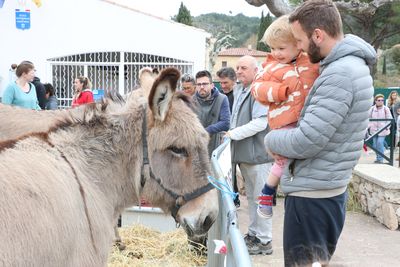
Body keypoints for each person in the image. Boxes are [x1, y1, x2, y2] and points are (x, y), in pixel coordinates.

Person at [263, 0, 377, 265]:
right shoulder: (347, 67)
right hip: (323, 190)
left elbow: (307, 140)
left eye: (300, 40)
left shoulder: (339, 75)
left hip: (313, 199)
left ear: (318, 35)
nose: (299, 47)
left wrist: (271, 139)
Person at [250, 15, 319, 219]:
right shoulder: (270, 67)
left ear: (298, 44)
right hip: (283, 121)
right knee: (282, 160)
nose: (276, 53)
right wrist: (280, 91)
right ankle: (267, 193)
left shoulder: (311, 62)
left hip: (306, 120)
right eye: (272, 48)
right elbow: (257, 89)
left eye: (281, 48)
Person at [225, 55, 273, 255]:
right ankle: (254, 234)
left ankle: (264, 240)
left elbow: (260, 123)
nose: (238, 71)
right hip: (246, 155)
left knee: (261, 199)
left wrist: (232, 134)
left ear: (256, 70)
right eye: (237, 67)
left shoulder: (259, 90)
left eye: (243, 67)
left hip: (259, 156)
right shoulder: (242, 89)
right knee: (252, 198)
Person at [192, 70, 230, 156]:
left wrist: (206, 131)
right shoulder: (191, 101)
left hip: (215, 147)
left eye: (205, 84)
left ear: (212, 85)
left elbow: (226, 123)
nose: (201, 87)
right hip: (196, 148)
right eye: (199, 84)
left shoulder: (222, 99)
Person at [368, 94, 392, 163]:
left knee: (379, 143)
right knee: (374, 145)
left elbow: (389, 119)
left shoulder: (386, 108)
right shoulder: (372, 109)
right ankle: (378, 157)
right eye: (379, 100)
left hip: (383, 130)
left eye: (382, 100)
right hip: (374, 130)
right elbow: (368, 118)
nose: (381, 101)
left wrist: (386, 127)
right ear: (375, 101)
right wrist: (369, 127)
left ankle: (380, 159)